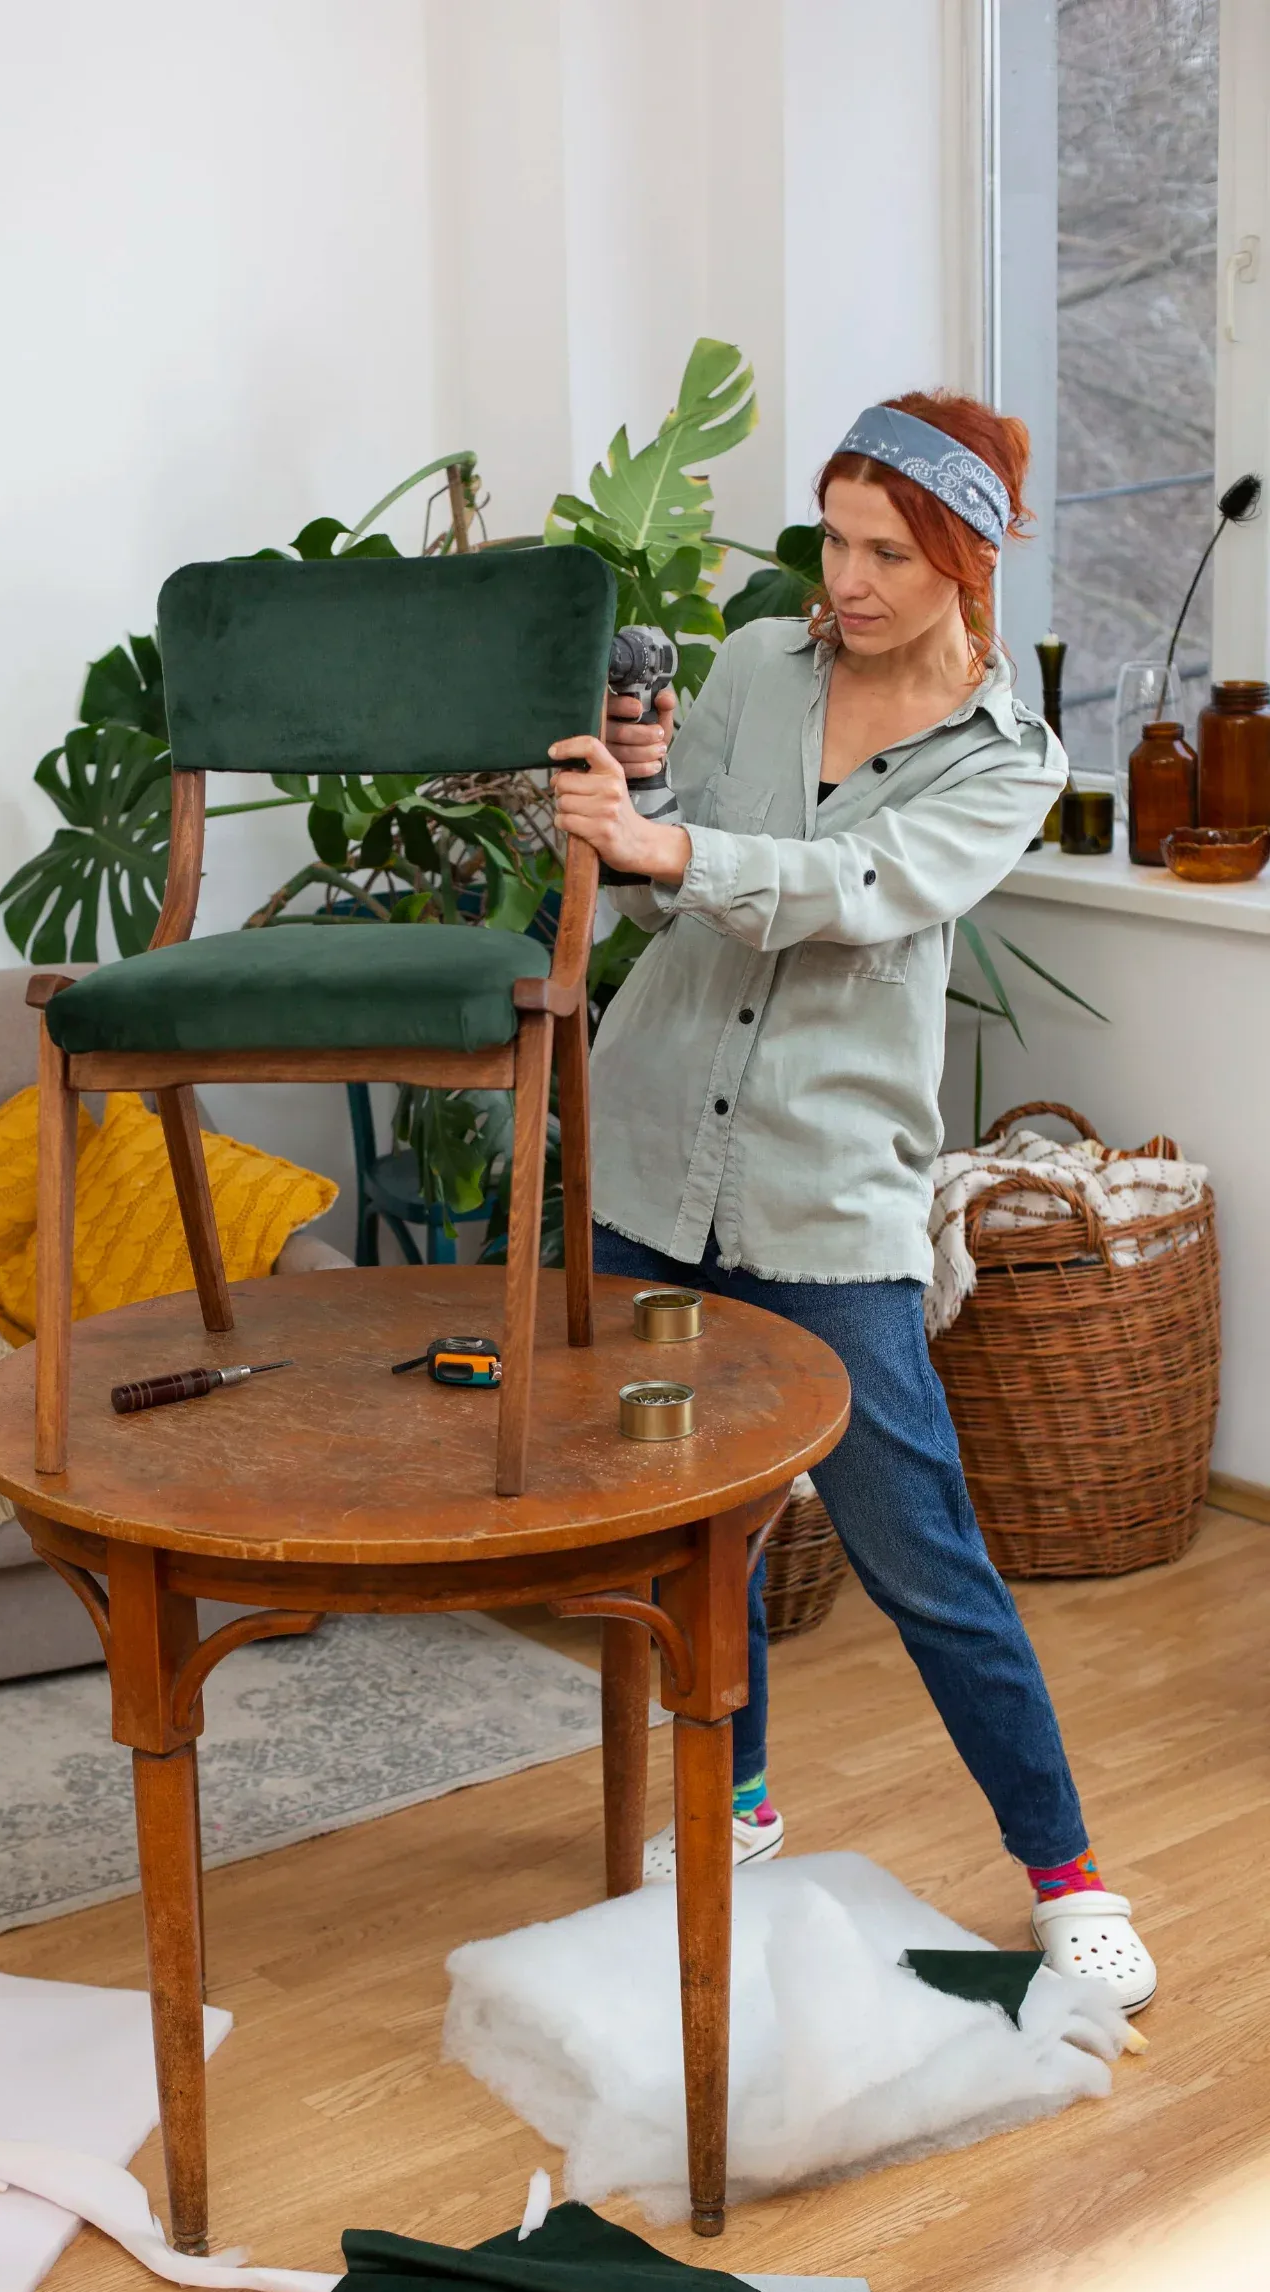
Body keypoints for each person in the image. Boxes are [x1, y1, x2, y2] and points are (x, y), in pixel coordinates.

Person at [546, 390, 1156, 2014]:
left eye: (891, 550)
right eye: (835, 538)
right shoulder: (758, 665)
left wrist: (671, 850)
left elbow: (858, 891)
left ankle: (1067, 1875)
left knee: (921, 1549)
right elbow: (669, 879)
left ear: (970, 560)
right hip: (654, 1152)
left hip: (826, 1192)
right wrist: (639, 809)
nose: (851, 578)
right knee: (700, 1526)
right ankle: (738, 1805)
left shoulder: (1006, 760)